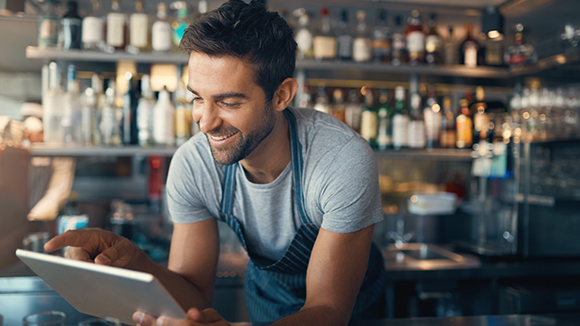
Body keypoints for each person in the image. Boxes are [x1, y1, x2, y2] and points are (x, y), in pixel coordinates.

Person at [44, 1, 387, 325]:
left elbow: (328, 310)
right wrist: (135, 262)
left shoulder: (341, 160)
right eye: (197, 98)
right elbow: (192, 294)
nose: (205, 122)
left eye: (228, 102)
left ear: (281, 95)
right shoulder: (194, 165)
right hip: (266, 304)